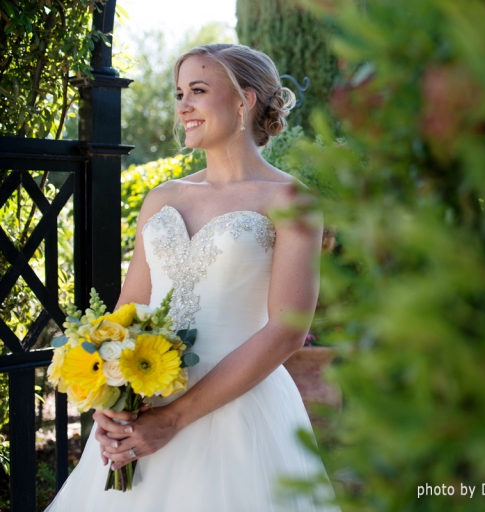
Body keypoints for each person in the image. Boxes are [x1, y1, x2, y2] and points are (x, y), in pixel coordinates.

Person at [45, 43, 340, 511]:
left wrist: (173, 420)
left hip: (240, 411)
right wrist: (108, 398)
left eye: (198, 91)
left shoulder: (290, 200)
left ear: (244, 100)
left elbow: (287, 330)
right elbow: (127, 311)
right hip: (147, 397)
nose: (183, 105)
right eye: (179, 93)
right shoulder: (162, 198)